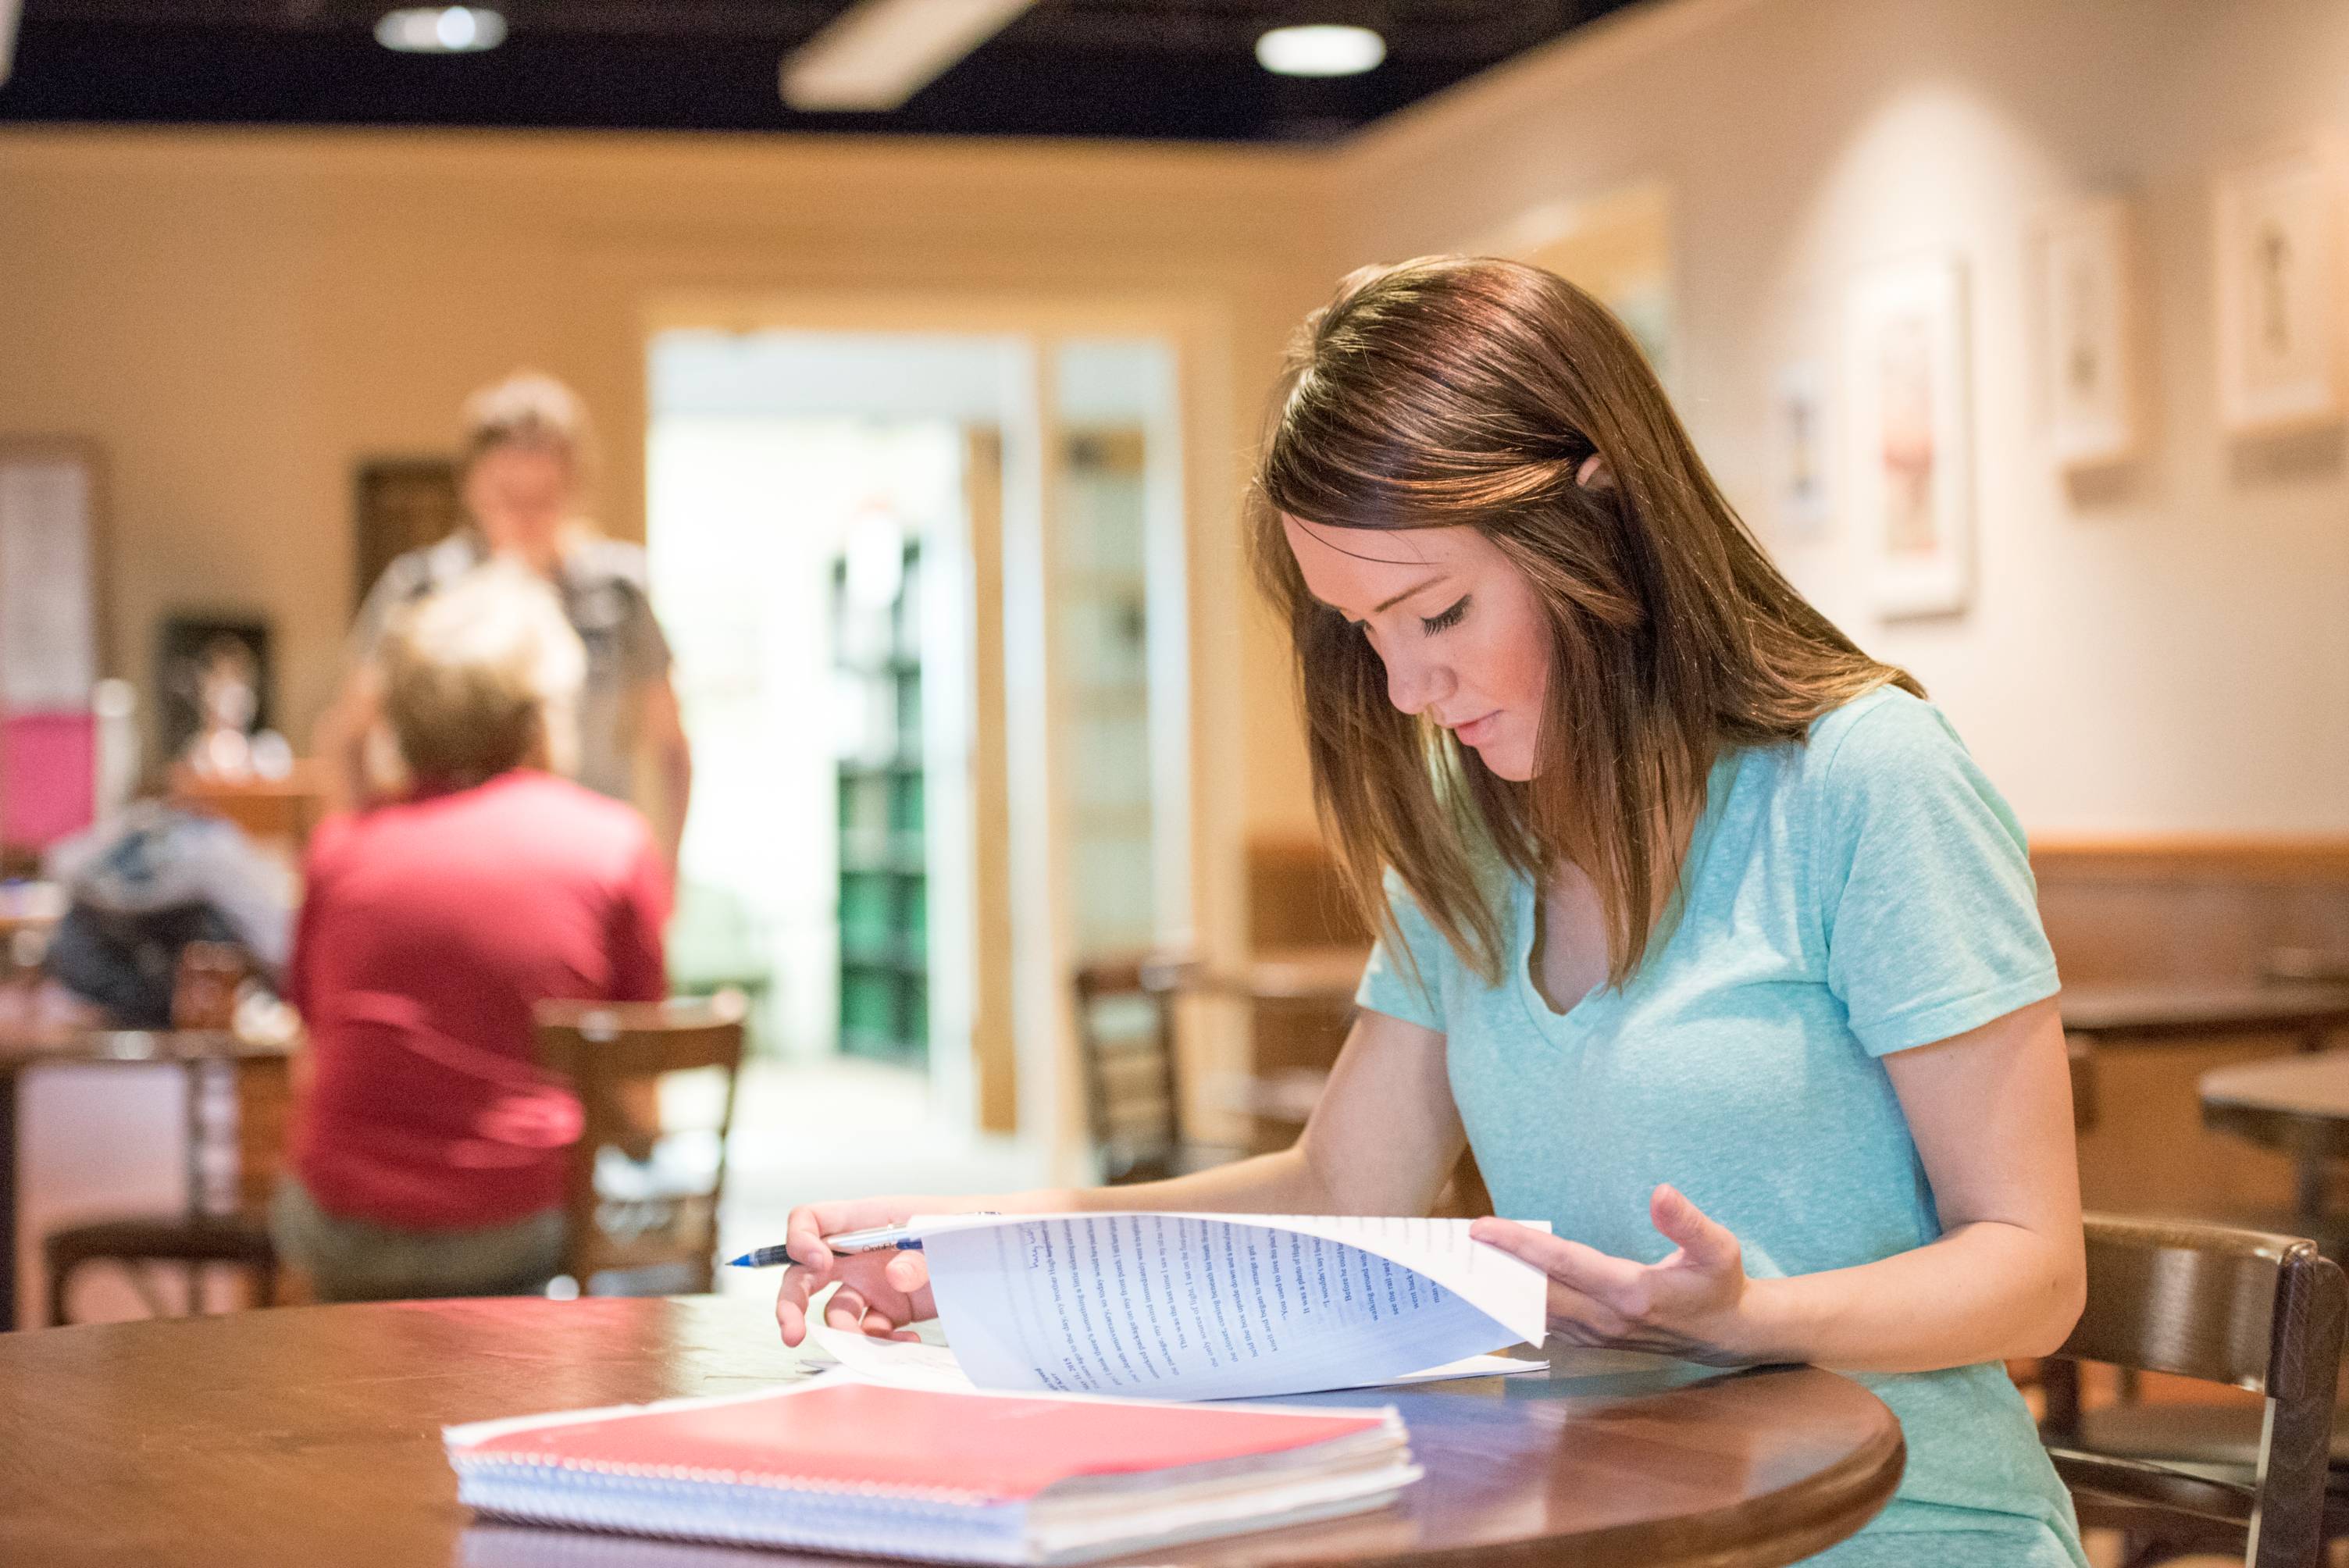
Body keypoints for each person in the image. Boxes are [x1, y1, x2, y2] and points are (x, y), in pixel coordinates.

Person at [775, 258, 2088, 1566]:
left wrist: (1751, 1318)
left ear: (1602, 516)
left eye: (1440, 611)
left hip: (1900, 1526)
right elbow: (1340, 1182)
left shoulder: (1864, 779)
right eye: (1365, 631)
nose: (1407, 687)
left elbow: (2033, 1269)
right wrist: (971, 1246)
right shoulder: (1473, 830)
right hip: (1602, 1527)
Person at [273, 563, 671, 1302]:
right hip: (520, 1226)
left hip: (345, 1228)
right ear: (538, 716)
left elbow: (313, 1050)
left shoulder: (339, 853)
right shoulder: (610, 844)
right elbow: (638, 1096)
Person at [320, 369, 692, 865]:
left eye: (545, 496)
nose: (525, 516)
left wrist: (666, 873)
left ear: (574, 488)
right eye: (507, 495)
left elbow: (671, 746)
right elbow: (348, 735)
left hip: (582, 858)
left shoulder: (620, 592)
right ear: (472, 486)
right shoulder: (421, 590)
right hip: (454, 861)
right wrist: (361, 853)